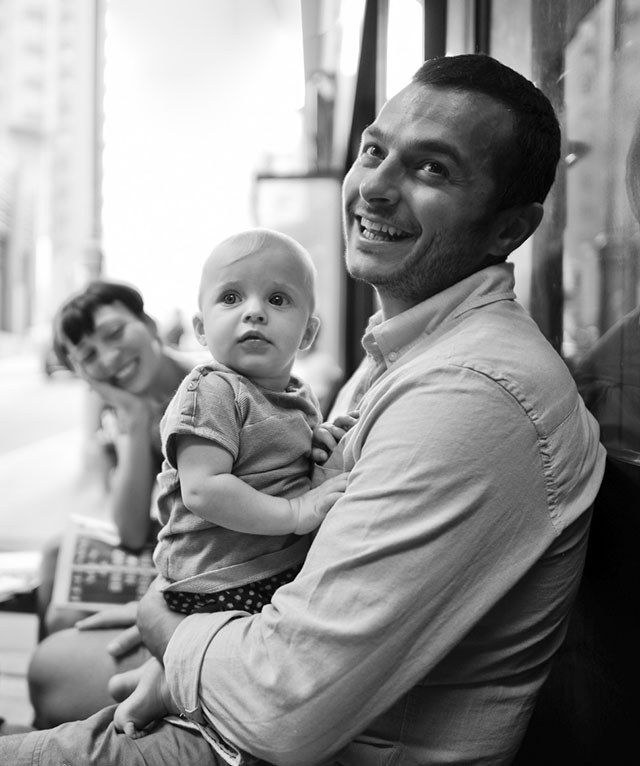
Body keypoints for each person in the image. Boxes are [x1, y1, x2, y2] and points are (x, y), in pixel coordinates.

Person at [1, 53, 606, 765]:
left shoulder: (470, 393)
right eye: (374, 152)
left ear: (509, 228)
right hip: (261, 661)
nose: (375, 187)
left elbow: (280, 708)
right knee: (57, 662)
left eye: (432, 168)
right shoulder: (400, 354)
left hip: (312, 741)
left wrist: (163, 616)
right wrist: (180, 610)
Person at [113, 228, 348, 737]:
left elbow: (285, 458)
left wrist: (324, 442)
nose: (255, 311)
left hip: (258, 569)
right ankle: (168, 683)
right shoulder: (211, 390)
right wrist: (298, 512)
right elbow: (204, 488)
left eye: (278, 299)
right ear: (201, 327)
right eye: (231, 297)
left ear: (307, 333)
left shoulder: (297, 396)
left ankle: (159, 675)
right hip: (216, 576)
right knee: (269, 650)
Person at [28, 279, 198, 725]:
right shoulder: (138, 408)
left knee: (65, 610)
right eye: (88, 356)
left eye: (115, 334)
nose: (108, 358)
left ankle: (67, 714)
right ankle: (61, 727)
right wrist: (133, 416)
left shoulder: (209, 390)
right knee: (54, 555)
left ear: (149, 324)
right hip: (170, 550)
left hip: (205, 564)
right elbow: (130, 528)